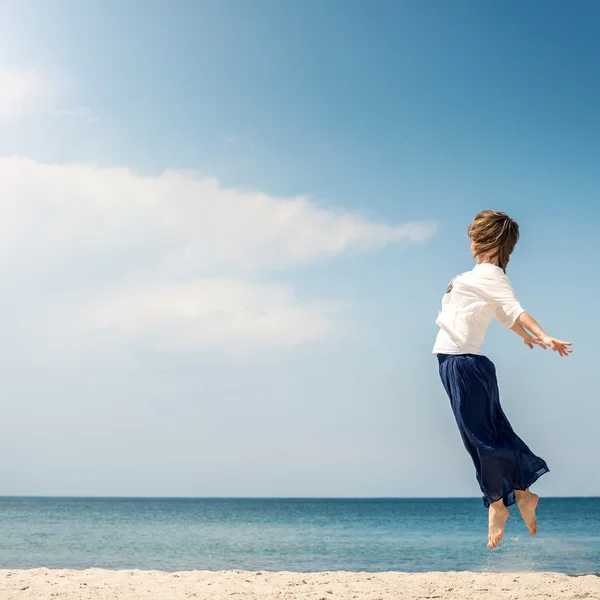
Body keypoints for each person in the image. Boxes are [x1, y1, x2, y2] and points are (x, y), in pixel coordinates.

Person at [433, 210, 572, 549]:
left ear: (488, 239)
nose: (469, 239)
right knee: (482, 437)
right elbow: (500, 313)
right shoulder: (475, 276)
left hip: (464, 364)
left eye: (474, 233)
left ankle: (498, 503)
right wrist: (525, 335)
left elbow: (512, 307)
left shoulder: (492, 274)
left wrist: (542, 333)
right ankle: (522, 495)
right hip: (457, 363)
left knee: (481, 438)